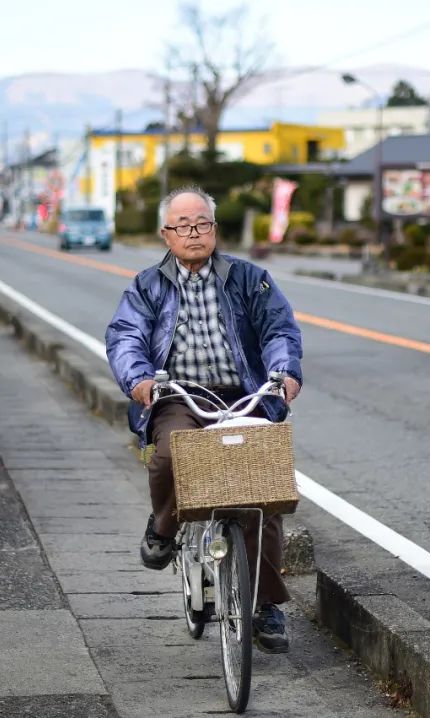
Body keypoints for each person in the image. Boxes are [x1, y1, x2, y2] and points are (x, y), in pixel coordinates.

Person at [105, 186, 303, 654]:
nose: (194, 233)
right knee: (173, 454)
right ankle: (164, 526)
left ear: (214, 229)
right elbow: (125, 337)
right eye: (183, 226)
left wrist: (283, 375)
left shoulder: (249, 278)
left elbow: (279, 329)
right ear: (165, 234)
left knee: (263, 491)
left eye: (202, 224)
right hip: (178, 395)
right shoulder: (146, 286)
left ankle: (265, 605)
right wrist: (139, 380)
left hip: (246, 392)